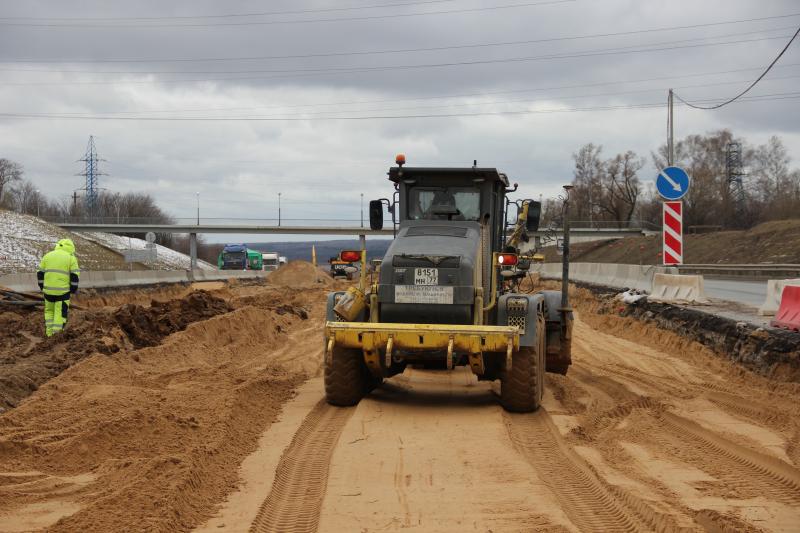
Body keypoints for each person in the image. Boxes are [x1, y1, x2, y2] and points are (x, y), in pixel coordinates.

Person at [37, 238, 80, 337]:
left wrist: (42, 286)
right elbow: (74, 276)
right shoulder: (71, 258)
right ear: (71, 248)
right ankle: (56, 336)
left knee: (49, 312)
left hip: (48, 291)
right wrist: (73, 289)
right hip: (63, 292)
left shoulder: (47, 256)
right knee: (60, 313)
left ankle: (49, 334)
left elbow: (40, 273)